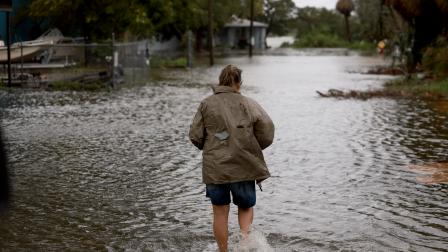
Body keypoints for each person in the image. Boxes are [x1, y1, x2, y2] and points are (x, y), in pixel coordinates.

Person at [189, 65, 275, 252]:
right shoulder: (249, 103)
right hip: (244, 165)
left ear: (220, 81)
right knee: (245, 207)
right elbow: (267, 132)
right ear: (239, 83)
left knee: (220, 213)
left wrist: (213, 147)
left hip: (215, 168)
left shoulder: (206, 104)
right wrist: (250, 147)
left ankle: (223, 251)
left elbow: (195, 136)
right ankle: (245, 247)